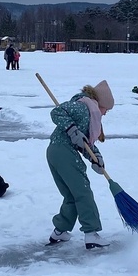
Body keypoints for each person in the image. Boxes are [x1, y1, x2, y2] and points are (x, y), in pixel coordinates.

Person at [46, 80, 115, 249]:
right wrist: (72, 130)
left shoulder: (88, 112)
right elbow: (57, 112)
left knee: (71, 195)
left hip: (54, 151)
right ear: (101, 103)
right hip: (63, 152)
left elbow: (84, 143)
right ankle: (91, 233)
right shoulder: (83, 107)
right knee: (83, 192)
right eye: (106, 109)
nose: (105, 114)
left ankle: (60, 231)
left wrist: (96, 157)